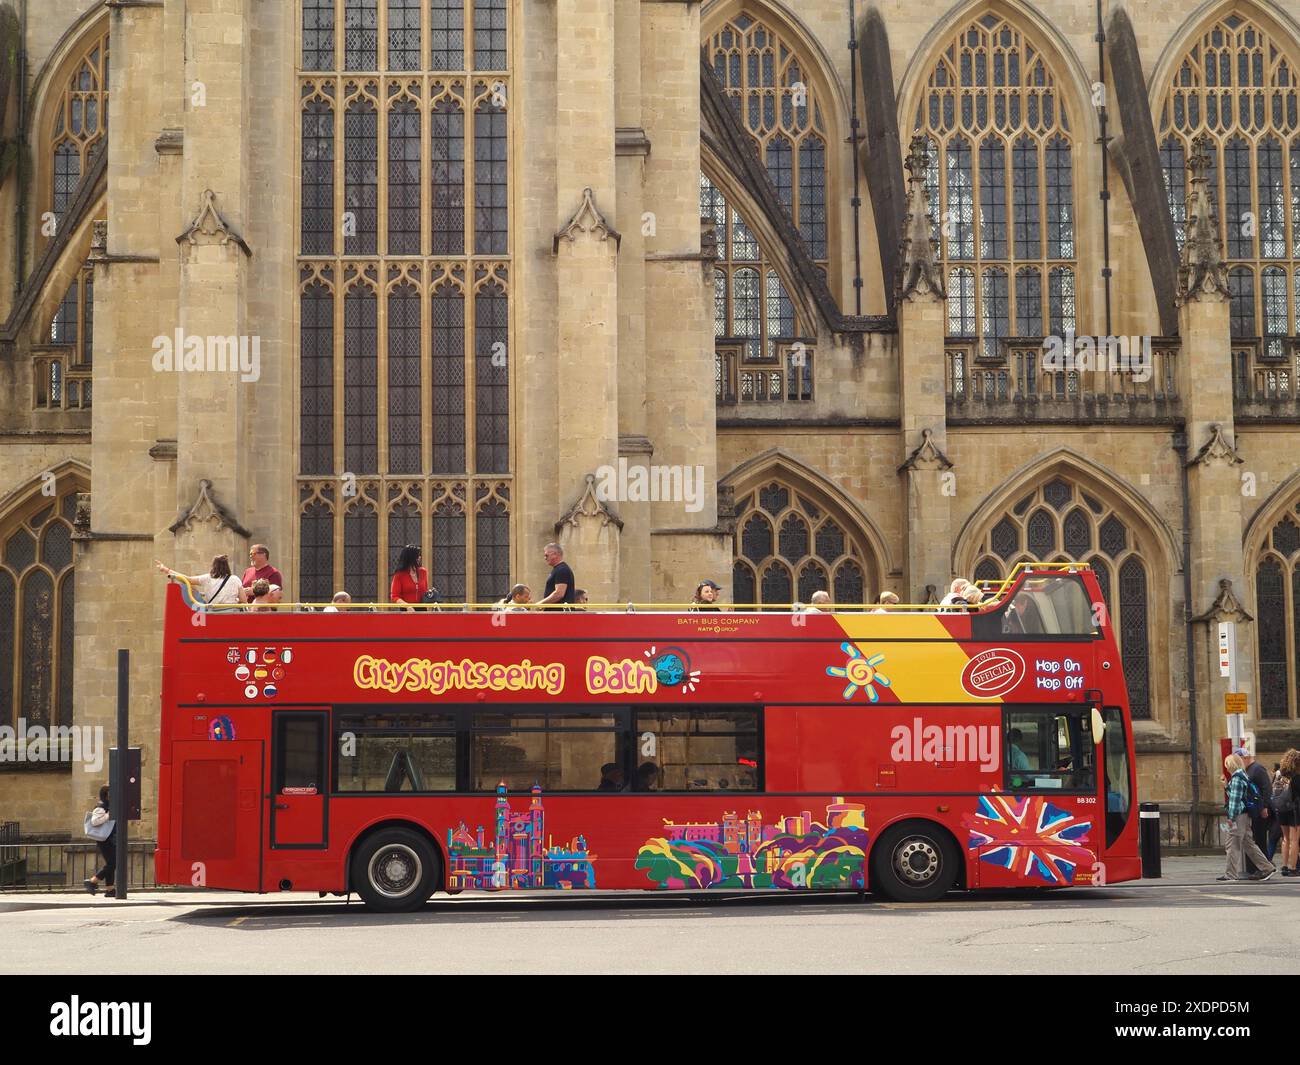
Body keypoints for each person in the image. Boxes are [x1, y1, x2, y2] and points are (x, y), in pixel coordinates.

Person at [1220, 753, 1276, 881]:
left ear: (1231, 764)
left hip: (1238, 816)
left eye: (1227, 765)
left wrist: (1231, 817)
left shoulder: (1237, 778)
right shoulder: (1243, 775)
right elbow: (1238, 795)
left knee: (1232, 844)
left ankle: (1230, 874)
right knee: (1248, 843)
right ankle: (1267, 867)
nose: (1227, 768)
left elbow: (1234, 800)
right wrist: (1226, 785)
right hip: (1245, 815)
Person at [154, 555, 240, 606]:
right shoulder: (235, 579)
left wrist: (166, 570)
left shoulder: (207, 578)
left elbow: (188, 579)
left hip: (213, 614)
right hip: (232, 613)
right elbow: (244, 600)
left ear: (214, 566)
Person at [1239, 746, 1273, 872]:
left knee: (1259, 839)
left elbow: (1267, 788)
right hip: (1252, 811)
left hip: (1259, 811)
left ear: (1246, 758)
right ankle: (1253, 868)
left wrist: (1264, 807)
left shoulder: (1257, 769)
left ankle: (1263, 867)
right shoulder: (1248, 770)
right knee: (1253, 839)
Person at [83, 785, 116, 898]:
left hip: (109, 838)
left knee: (111, 863)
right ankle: (92, 881)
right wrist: (108, 815)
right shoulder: (101, 806)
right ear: (105, 795)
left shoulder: (109, 806)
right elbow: (94, 821)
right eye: (110, 794)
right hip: (104, 839)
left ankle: (110, 889)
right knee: (113, 863)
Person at [1277, 749, 1300, 876]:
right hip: (1295, 810)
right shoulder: (1297, 777)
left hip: (1281, 809)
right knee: (1295, 840)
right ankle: (1293, 868)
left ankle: (1284, 867)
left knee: (1285, 838)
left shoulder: (1279, 774)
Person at [538, 542, 576, 606]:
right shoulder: (558, 569)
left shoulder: (562, 570)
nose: (545, 558)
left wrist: (540, 604)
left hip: (559, 613)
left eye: (546, 555)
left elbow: (559, 594)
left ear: (555, 554)